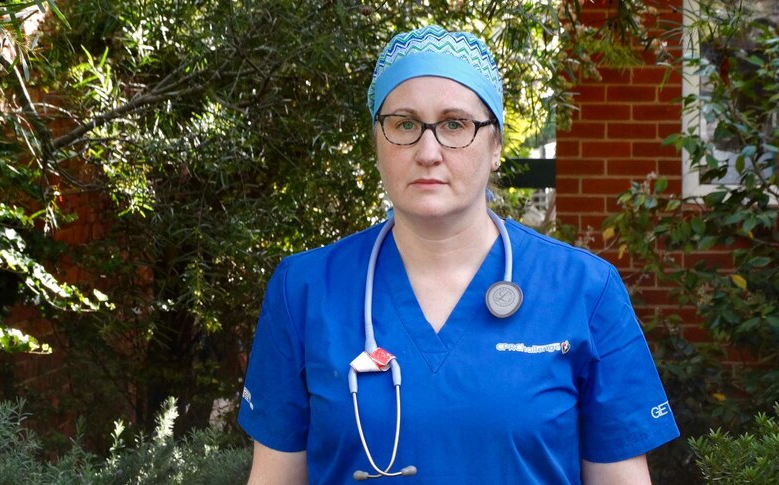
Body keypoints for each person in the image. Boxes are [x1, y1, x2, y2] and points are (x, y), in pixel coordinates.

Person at [238, 25, 679, 484]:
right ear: (377, 141)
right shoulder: (304, 290)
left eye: (454, 125)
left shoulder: (585, 291)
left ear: (495, 146)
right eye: (404, 124)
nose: (428, 151)